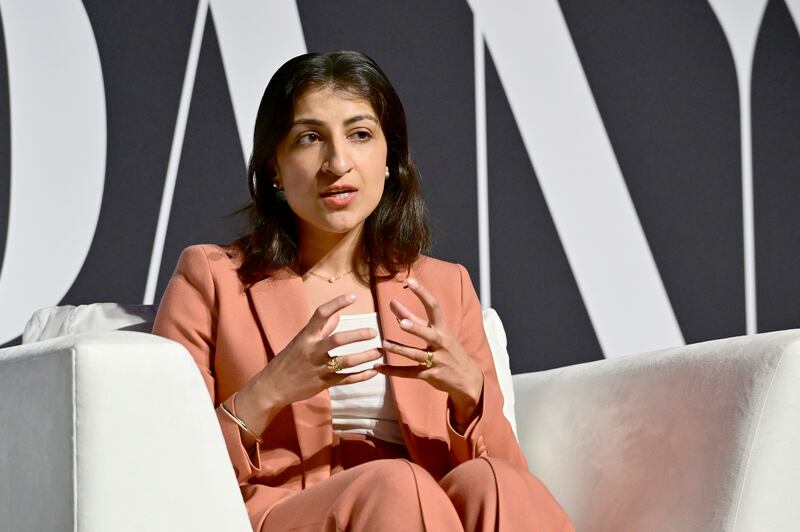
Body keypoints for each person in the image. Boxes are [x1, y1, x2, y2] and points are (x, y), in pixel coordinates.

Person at [153, 50, 573, 532]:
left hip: (430, 511)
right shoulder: (212, 278)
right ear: (274, 167)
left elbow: (508, 489)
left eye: (360, 135)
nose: (337, 162)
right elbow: (167, 464)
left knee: (498, 483)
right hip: (284, 511)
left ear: (390, 159)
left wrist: (470, 393)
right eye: (310, 138)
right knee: (397, 485)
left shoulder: (445, 286)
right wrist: (270, 390)